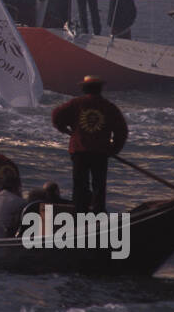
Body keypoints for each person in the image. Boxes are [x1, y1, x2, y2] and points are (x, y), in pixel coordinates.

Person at [51, 75, 128, 213]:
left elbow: (56, 115)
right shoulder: (109, 107)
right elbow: (121, 131)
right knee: (99, 186)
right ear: (100, 89)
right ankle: (98, 214)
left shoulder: (75, 103)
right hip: (100, 152)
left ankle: (80, 214)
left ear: (84, 89)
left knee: (80, 185)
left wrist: (63, 128)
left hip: (79, 151)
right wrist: (114, 149)